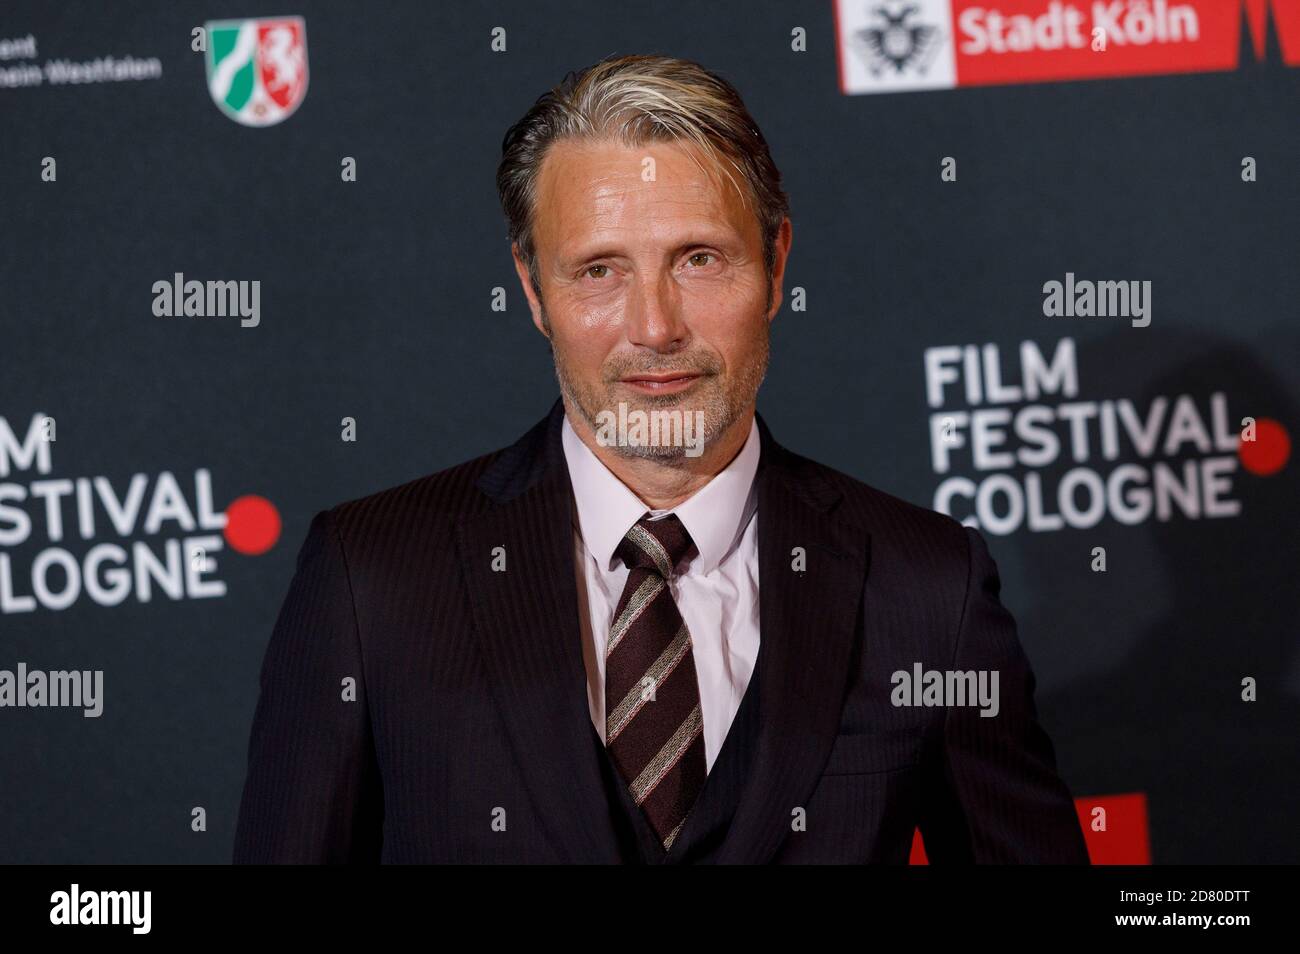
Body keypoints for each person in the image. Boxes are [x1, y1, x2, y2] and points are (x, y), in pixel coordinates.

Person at [233, 54, 1088, 864]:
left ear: (777, 263)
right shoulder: (373, 579)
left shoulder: (926, 590)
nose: (655, 327)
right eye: (600, 271)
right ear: (533, 292)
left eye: (699, 259)